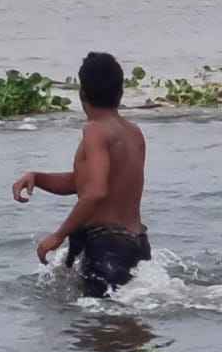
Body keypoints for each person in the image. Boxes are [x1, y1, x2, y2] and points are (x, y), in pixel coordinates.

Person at [13, 52, 149, 297]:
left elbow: (95, 192)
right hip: (137, 243)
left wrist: (58, 235)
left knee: (95, 328)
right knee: (125, 324)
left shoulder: (95, 131)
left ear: (82, 93)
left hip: (107, 246)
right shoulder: (133, 132)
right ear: (120, 92)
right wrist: (39, 178)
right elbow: (87, 182)